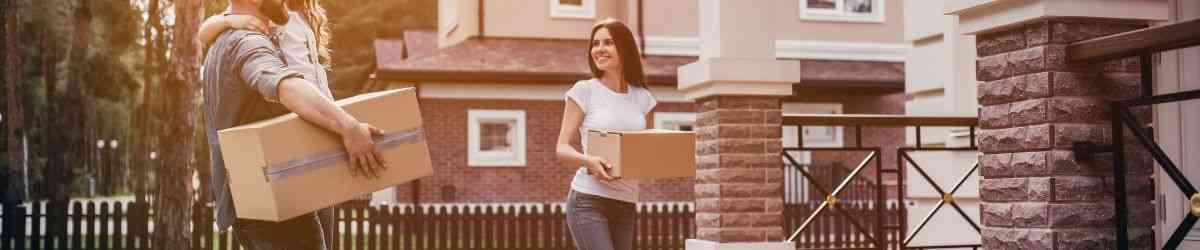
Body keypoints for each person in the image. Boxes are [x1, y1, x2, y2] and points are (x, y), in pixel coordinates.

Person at [199, 0, 386, 249]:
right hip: (278, 193)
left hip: (270, 188)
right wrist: (349, 128)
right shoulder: (246, 41)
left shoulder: (224, 40)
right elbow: (286, 86)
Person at [555, 18, 656, 250]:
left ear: (625, 48)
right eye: (595, 43)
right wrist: (589, 160)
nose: (599, 49)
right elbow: (561, 148)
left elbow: (647, 151)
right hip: (588, 200)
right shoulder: (584, 91)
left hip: (626, 201)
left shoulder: (643, 99)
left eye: (608, 43)